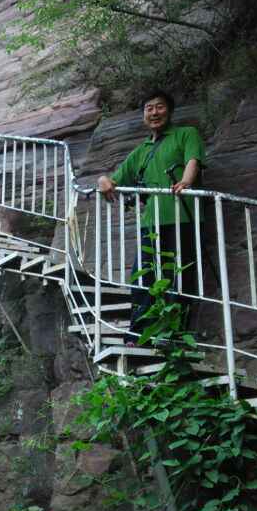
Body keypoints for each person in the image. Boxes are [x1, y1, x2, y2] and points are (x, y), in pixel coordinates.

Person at [97, 89, 207, 338]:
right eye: (149, 108)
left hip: (184, 218)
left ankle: (174, 337)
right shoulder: (141, 150)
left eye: (159, 106)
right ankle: (138, 335)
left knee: (180, 279)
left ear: (169, 111)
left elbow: (193, 160)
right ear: (143, 115)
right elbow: (114, 180)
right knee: (143, 278)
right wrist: (102, 179)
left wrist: (186, 181)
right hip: (151, 224)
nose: (154, 112)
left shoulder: (186, 134)